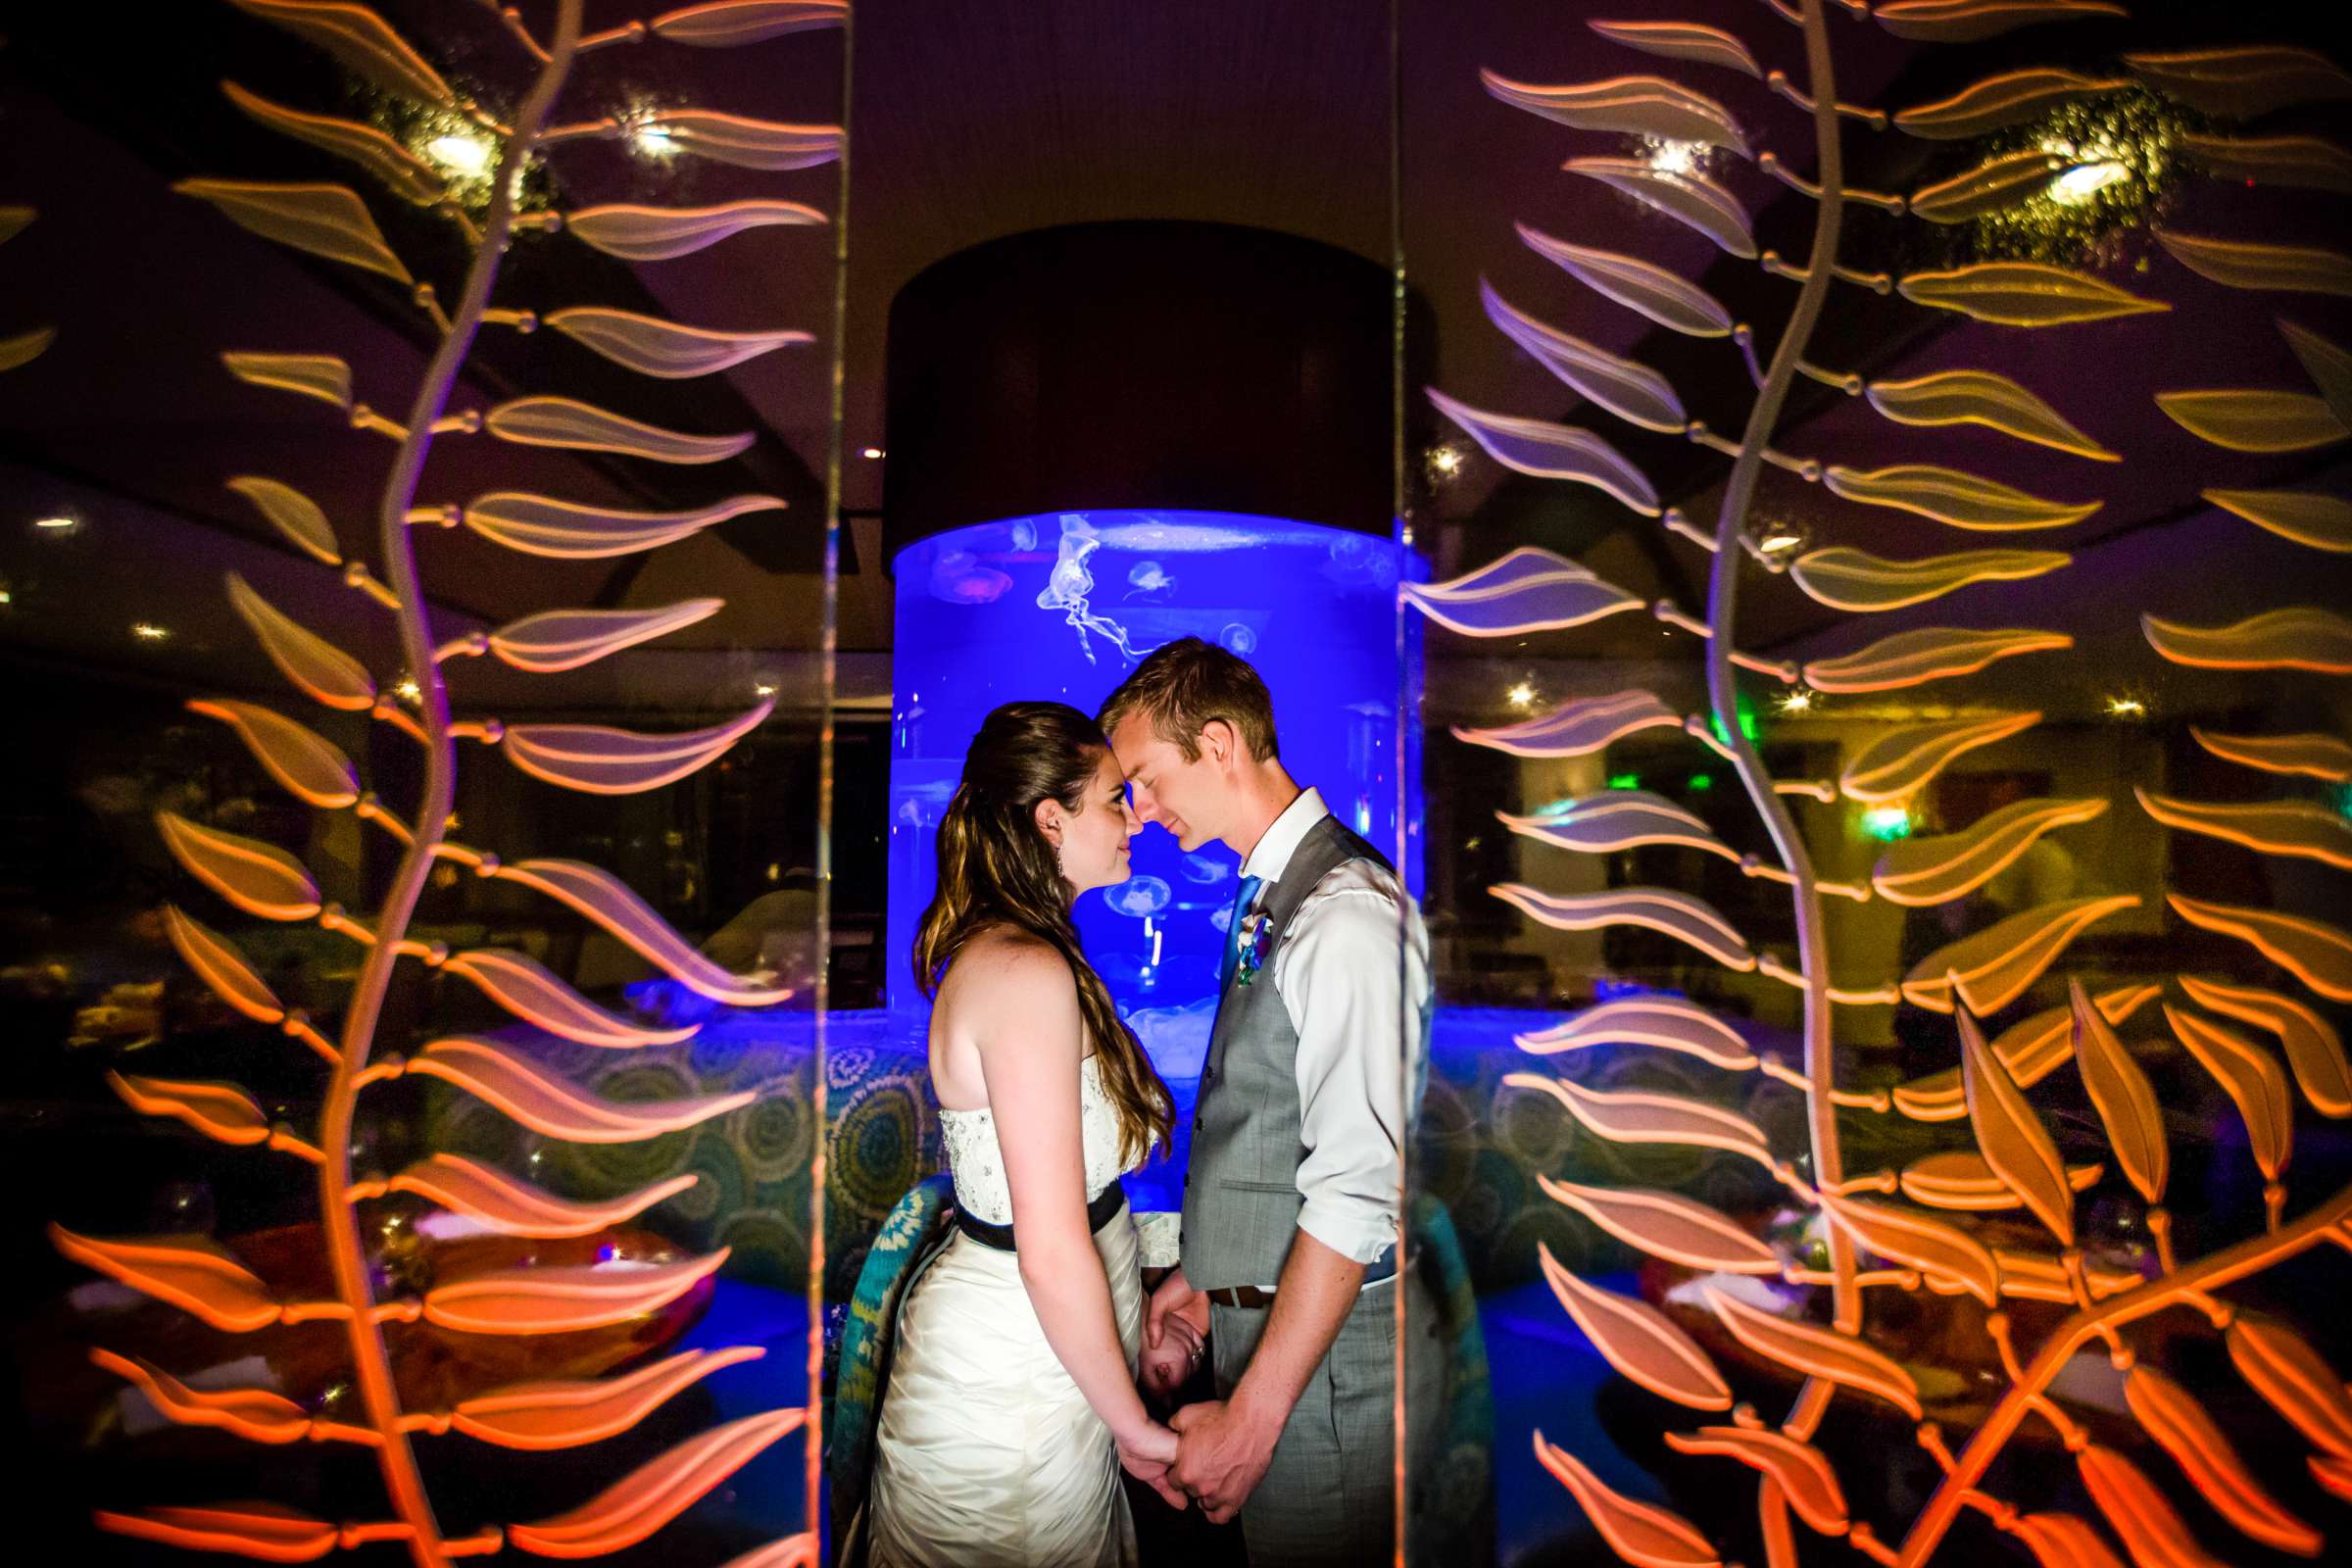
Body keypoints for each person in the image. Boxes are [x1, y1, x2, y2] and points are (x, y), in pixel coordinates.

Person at [1100, 638, 1437, 1567]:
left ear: (1217, 744)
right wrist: (1210, 1286)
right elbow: (1272, 1134)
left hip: (1327, 1382)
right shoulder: (1274, 893)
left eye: (1146, 779)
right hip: (1274, 1336)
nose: (1142, 810)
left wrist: (1252, 1421)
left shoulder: (1344, 914)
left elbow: (1354, 1193)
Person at [865, 701, 1202, 1568]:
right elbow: (1050, 1248)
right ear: (1052, 820)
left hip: (1059, 1370)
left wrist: (1143, 1334)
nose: (1134, 820)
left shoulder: (1030, 953)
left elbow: (1078, 1211)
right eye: (1114, 800)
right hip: (1008, 1393)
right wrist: (1135, 1428)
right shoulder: (1022, 971)